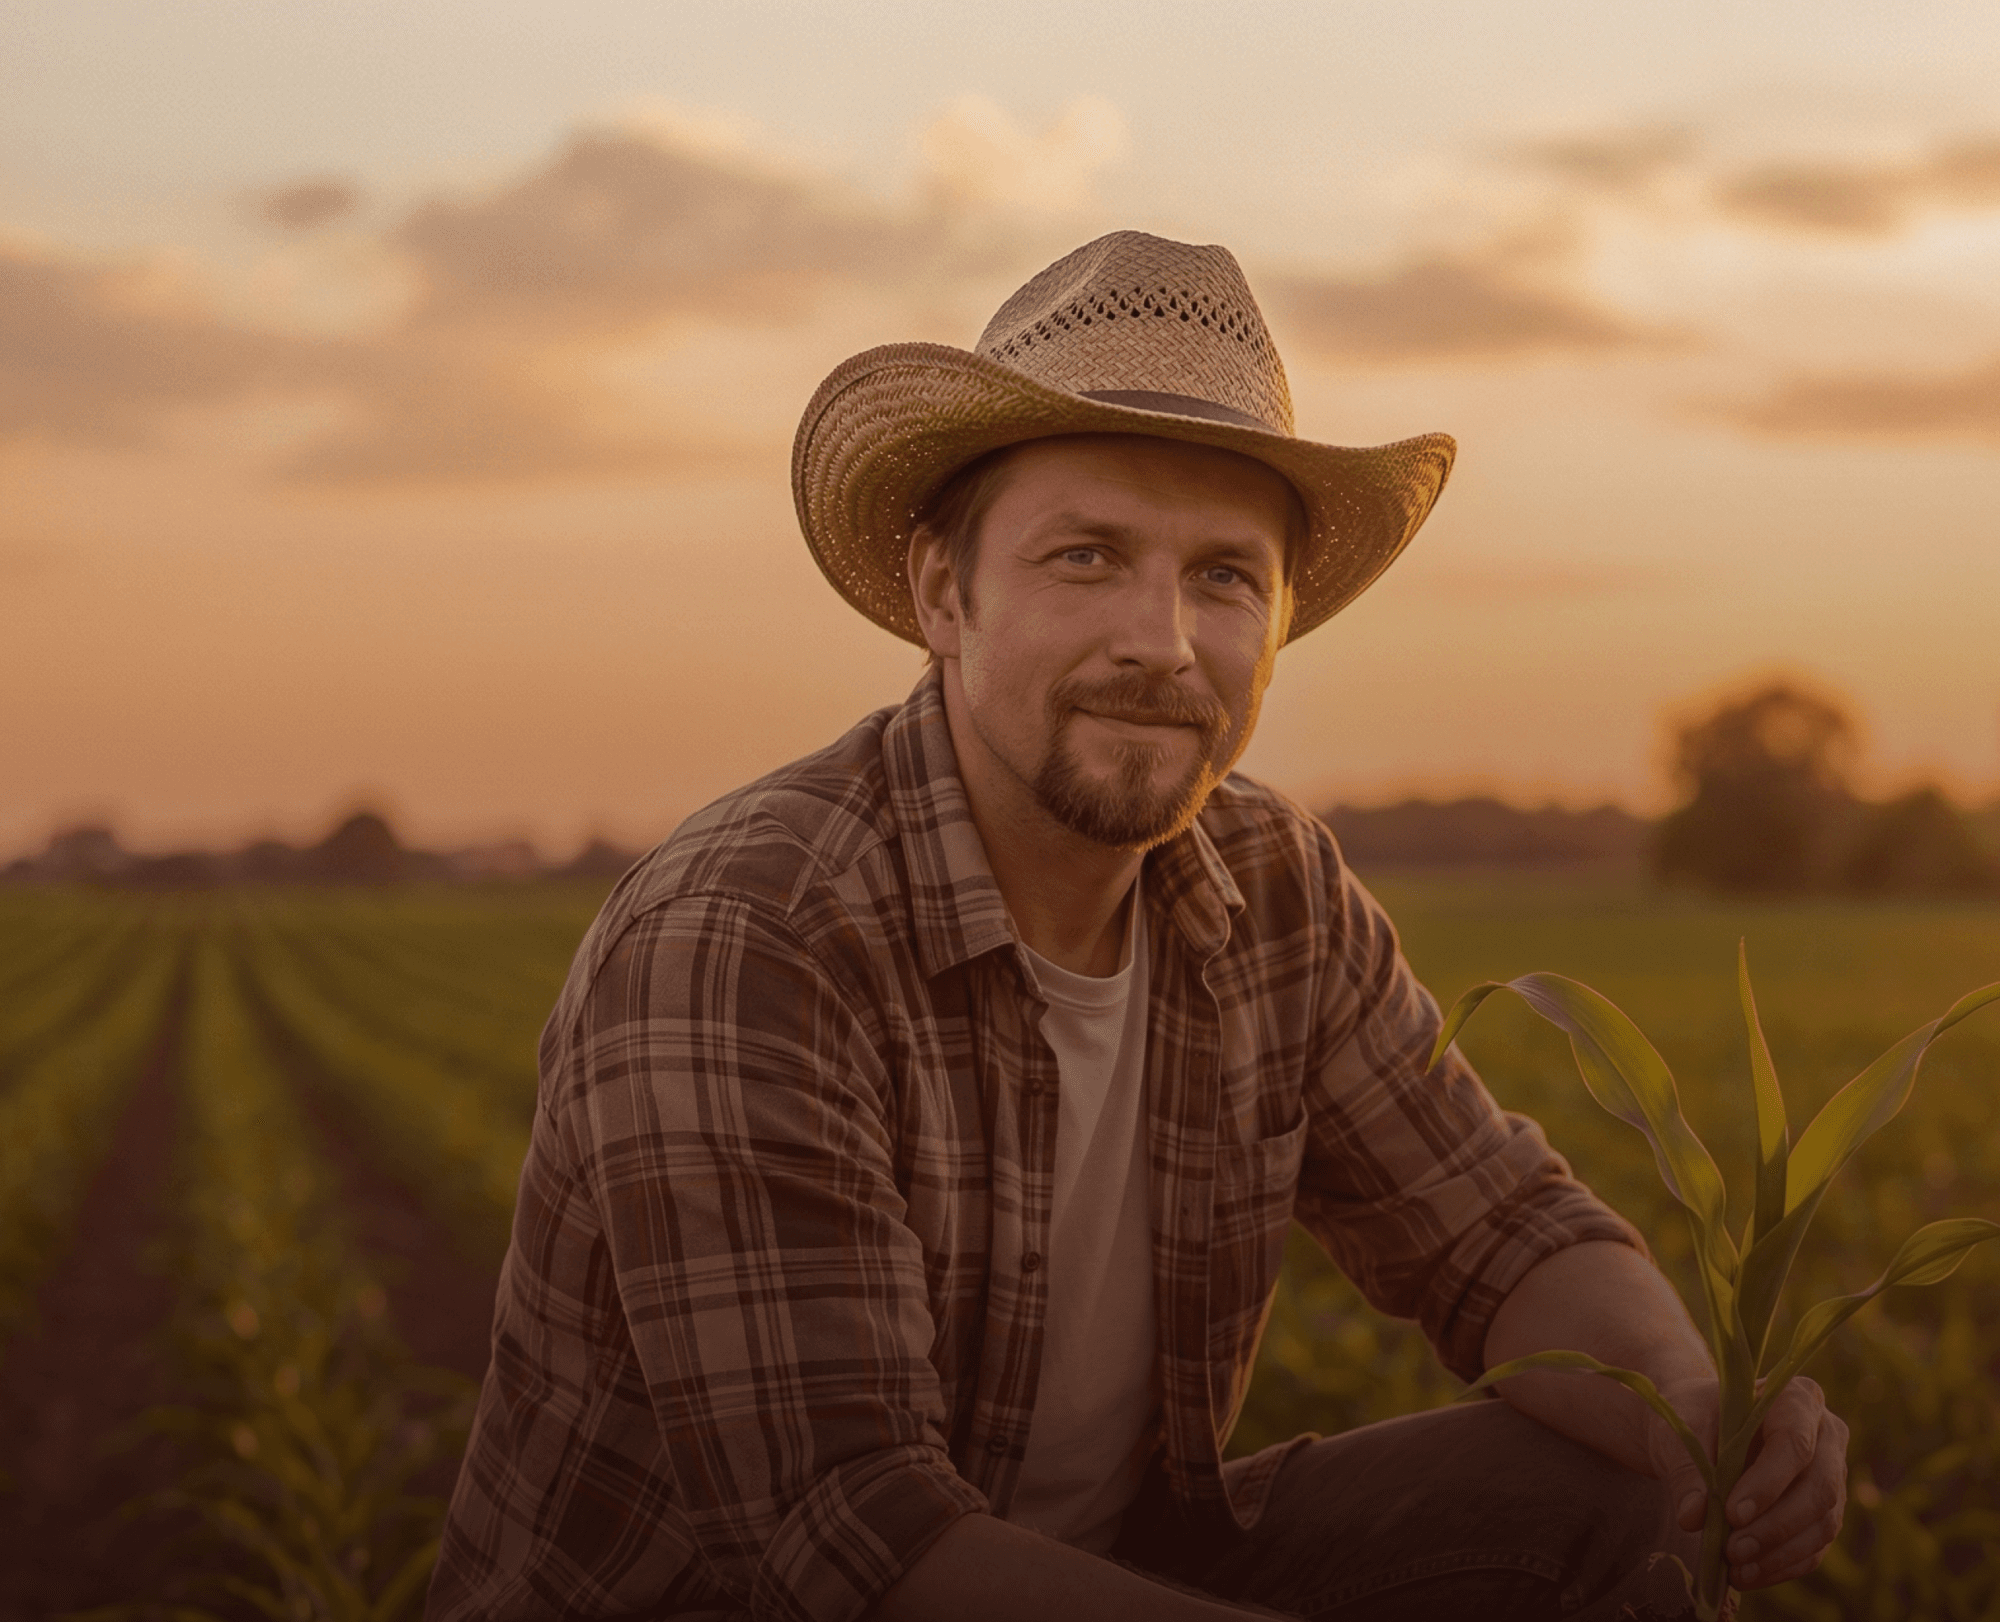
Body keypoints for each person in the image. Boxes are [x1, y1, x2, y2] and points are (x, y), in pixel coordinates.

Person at [428, 232, 1845, 1622]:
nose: (1161, 639)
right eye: (1089, 556)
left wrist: (1699, 1419)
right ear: (943, 592)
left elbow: (1504, 1234)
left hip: (1108, 1564)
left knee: (1609, 1489)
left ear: (1279, 624)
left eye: (1224, 575)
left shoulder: (1270, 883)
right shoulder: (750, 932)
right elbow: (852, 1543)